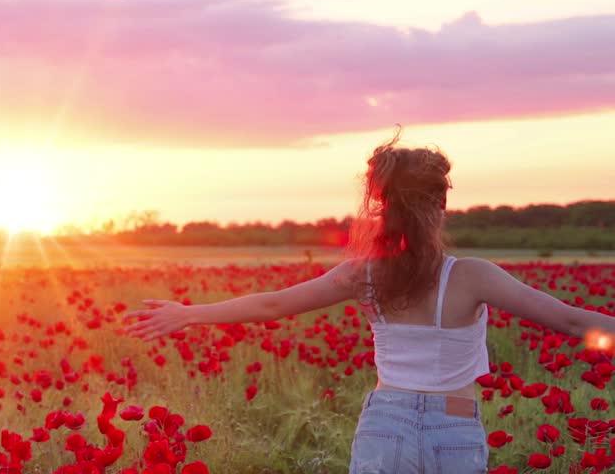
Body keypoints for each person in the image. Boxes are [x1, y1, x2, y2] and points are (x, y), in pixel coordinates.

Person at [122, 128, 615, 473]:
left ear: (383, 203)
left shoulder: (362, 275)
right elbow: (570, 321)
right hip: (455, 426)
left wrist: (188, 315)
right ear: (442, 203)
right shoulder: (472, 277)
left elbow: (273, 305)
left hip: (385, 424)